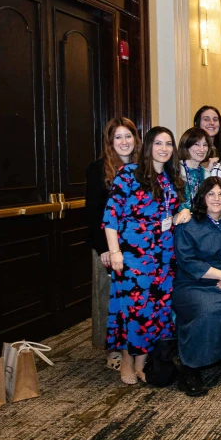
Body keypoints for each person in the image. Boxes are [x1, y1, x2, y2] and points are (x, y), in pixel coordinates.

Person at [103, 126, 189, 385]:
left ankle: (142, 362)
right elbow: (110, 216)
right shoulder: (129, 174)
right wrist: (115, 252)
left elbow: (170, 212)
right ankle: (127, 361)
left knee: (156, 310)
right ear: (148, 146)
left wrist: (181, 213)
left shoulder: (170, 179)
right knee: (134, 310)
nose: (164, 148)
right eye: (158, 143)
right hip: (134, 256)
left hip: (164, 257)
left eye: (169, 144)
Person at [172, 177, 221, 396]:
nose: (216, 199)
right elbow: (188, 261)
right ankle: (190, 367)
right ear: (202, 198)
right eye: (211, 194)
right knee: (207, 309)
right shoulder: (189, 224)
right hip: (193, 284)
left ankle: (204, 355)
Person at [86, 117, 140, 371]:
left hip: (137, 246)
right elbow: (93, 212)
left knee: (133, 299)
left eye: (128, 136)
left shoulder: (143, 167)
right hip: (108, 245)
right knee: (108, 298)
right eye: (118, 137)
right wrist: (105, 249)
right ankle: (112, 349)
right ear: (110, 141)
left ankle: (134, 344)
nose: (124, 142)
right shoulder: (98, 169)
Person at [178, 127, 210, 212]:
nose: (202, 149)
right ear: (186, 145)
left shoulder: (206, 174)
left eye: (205, 145)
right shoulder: (175, 170)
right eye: (197, 144)